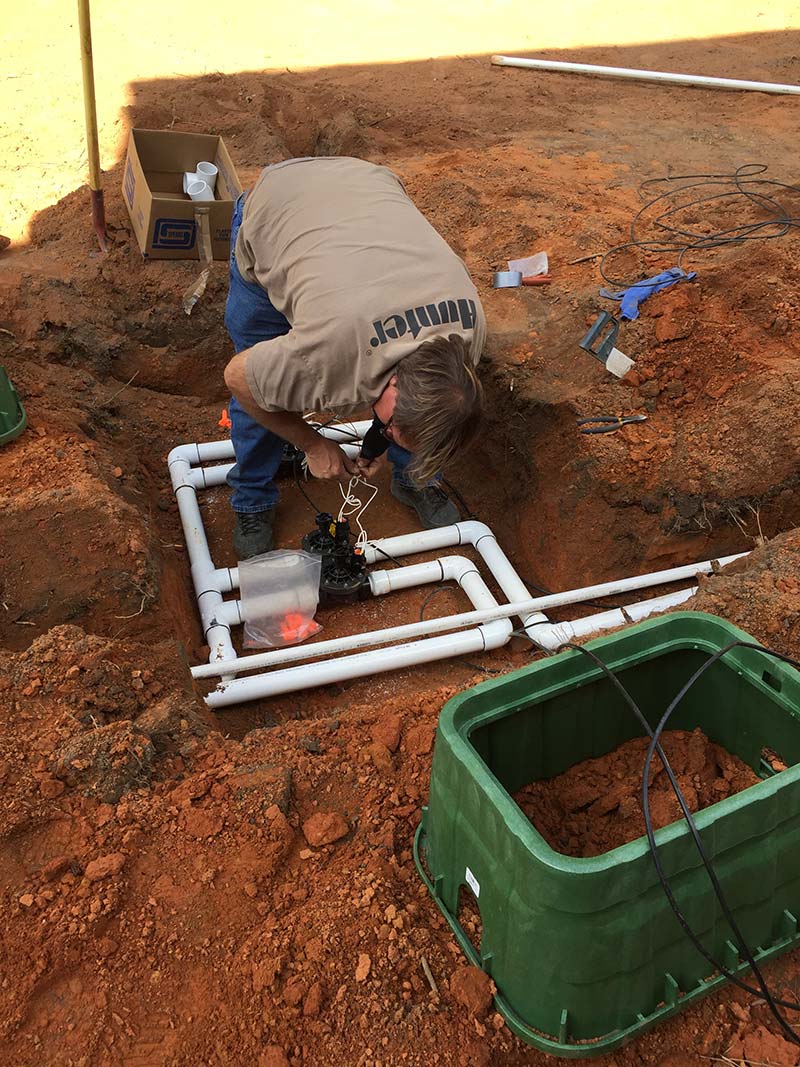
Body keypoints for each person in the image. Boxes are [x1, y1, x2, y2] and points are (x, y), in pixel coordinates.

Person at [223, 156, 486, 560]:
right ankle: (253, 501)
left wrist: (378, 441)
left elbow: (420, 410)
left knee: (424, 417)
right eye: (393, 430)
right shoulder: (329, 350)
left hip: (366, 195)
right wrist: (310, 443)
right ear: (395, 382)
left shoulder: (467, 336)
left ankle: (415, 480)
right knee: (261, 384)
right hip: (279, 208)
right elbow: (241, 380)